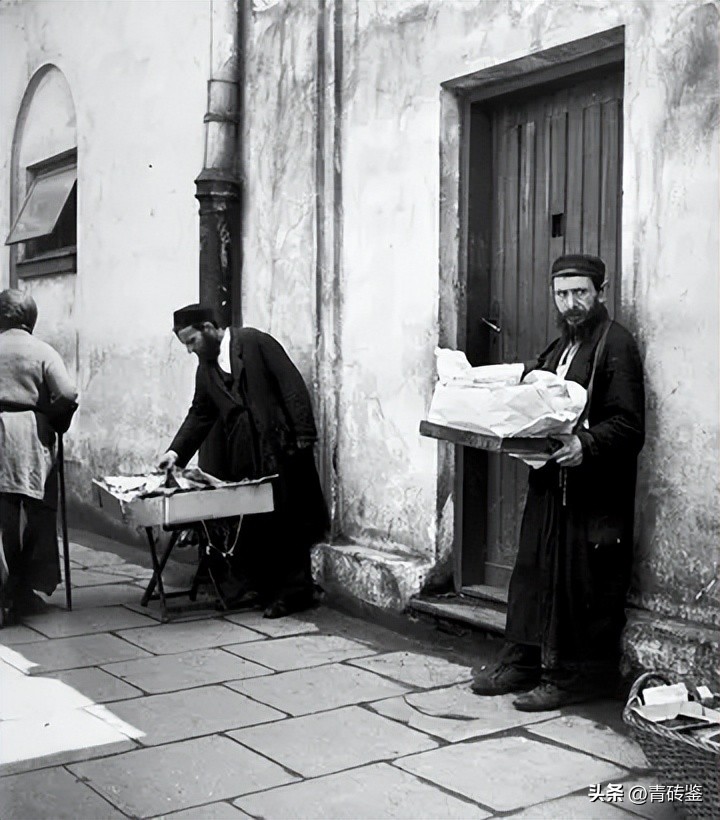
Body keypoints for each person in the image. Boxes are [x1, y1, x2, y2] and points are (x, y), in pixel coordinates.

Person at [471, 254, 645, 711]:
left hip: (592, 496)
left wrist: (586, 445)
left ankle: (574, 679)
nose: (571, 304)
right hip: (550, 485)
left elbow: (629, 426)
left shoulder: (616, 345)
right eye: (562, 294)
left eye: (580, 293)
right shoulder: (559, 348)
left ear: (601, 293)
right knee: (531, 574)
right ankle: (523, 662)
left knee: (580, 587)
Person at [158, 304, 329, 619]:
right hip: (245, 459)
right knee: (258, 524)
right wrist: (176, 452)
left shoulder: (254, 342)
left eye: (191, 341)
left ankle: (295, 593)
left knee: (289, 523)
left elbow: (291, 385)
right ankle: (264, 589)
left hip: (280, 450)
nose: (189, 350)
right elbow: (201, 413)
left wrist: (303, 436)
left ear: (209, 328)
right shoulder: (206, 369)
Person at [0, 289, 78, 620]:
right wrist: (54, 421)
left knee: (2, 518)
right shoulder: (42, 350)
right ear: (30, 319)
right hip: (26, 436)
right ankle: (23, 589)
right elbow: (68, 393)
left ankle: (5, 595)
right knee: (35, 512)